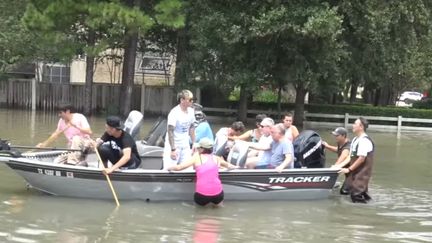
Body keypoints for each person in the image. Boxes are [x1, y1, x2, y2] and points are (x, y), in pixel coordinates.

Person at [168, 138, 237, 206]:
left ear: (202, 149)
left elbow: (179, 167)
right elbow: (230, 166)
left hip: (202, 194)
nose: (197, 149)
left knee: (200, 214)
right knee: (218, 212)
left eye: (198, 148)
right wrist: (237, 167)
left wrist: (168, 168)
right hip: (218, 193)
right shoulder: (217, 158)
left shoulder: (196, 158)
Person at [337, 117, 374, 203]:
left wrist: (349, 169)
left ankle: (361, 213)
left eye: (355, 124)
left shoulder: (364, 141)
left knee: (356, 195)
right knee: (344, 191)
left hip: (362, 173)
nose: (352, 125)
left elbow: (361, 158)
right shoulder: (355, 139)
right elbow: (351, 156)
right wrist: (339, 166)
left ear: (361, 127)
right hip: (354, 172)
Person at [163, 89, 196, 170]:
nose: (192, 101)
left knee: (188, 169)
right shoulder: (174, 113)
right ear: (182, 100)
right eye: (190, 100)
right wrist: (173, 149)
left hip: (185, 145)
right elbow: (170, 131)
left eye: (193, 100)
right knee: (169, 169)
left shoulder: (191, 112)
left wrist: (195, 143)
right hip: (174, 145)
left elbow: (191, 128)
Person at [322, 127, 351, 194]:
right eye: (335, 135)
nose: (335, 137)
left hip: (354, 174)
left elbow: (343, 156)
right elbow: (338, 150)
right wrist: (327, 146)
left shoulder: (347, 147)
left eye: (337, 135)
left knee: (344, 191)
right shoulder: (341, 143)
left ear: (343, 136)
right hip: (348, 173)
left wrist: (334, 167)